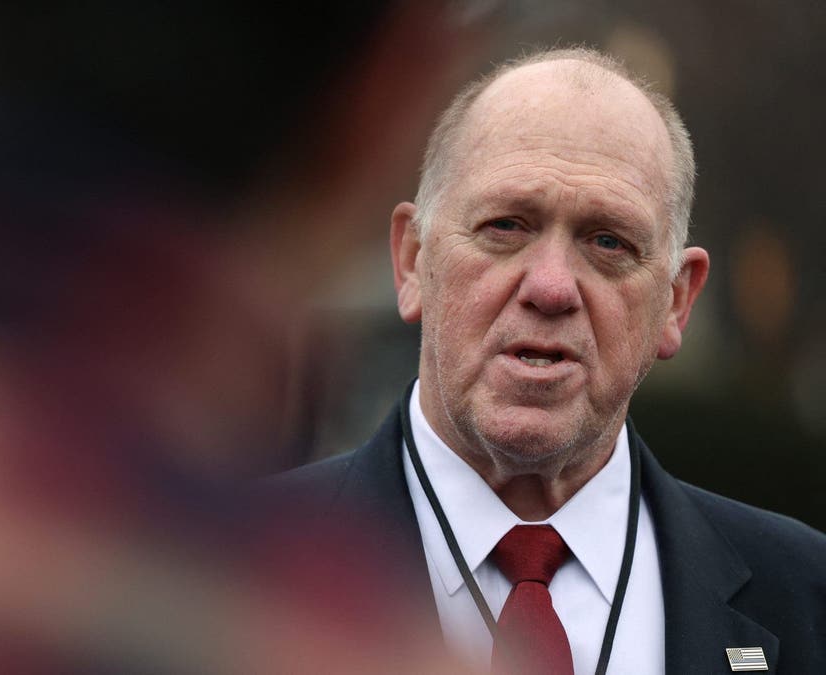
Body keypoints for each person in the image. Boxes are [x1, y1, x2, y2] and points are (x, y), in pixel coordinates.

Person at [275, 47, 826, 674]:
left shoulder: (806, 598)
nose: (552, 287)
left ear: (676, 301)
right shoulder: (226, 572)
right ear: (411, 261)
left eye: (608, 242)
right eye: (506, 226)